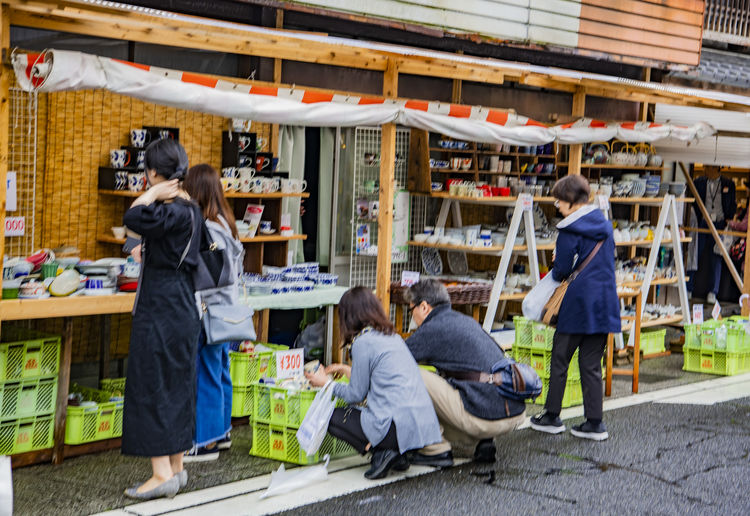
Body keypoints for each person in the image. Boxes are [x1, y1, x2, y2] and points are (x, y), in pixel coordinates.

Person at [121, 139, 201, 499]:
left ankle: (160, 474)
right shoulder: (192, 209)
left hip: (161, 307)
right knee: (178, 385)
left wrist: (151, 194)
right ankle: (177, 467)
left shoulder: (169, 211)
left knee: (152, 383)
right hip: (184, 307)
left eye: (148, 173)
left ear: (154, 173)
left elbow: (132, 218)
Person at [305, 287, 442, 479]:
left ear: (348, 316)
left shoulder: (363, 342)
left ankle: (382, 451)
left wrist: (326, 383)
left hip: (393, 427)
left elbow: (356, 394)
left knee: (330, 417)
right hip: (418, 426)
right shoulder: (392, 336)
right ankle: (397, 453)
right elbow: (382, 379)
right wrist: (346, 370)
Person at [529, 174, 620, 441]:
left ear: (569, 201)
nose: (556, 204)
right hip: (604, 303)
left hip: (578, 302)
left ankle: (552, 416)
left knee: (560, 358)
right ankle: (594, 423)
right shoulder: (604, 224)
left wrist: (558, 259)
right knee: (591, 364)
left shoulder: (570, 229)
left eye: (559, 200)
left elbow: (562, 270)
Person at [402, 280, 526, 467]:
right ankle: (482, 441)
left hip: (485, 418)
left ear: (424, 307)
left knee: (411, 374)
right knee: (462, 381)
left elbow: (395, 360)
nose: (413, 317)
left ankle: (436, 450)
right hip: (514, 412)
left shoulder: (433, 328)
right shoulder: (466, 321)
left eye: (411, 311)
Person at [182, 164, 244, 461]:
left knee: (206, 372)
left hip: (208, 309)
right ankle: (222, 432)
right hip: (227, 310)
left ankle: (205, 441)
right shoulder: (226, 222)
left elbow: (210, 277)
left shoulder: (207, 228)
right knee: (220, 370)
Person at [692, 165, 736, 304]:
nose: (705, 169)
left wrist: (728, 219)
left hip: (719, 223)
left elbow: (732, 204)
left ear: (716, 168)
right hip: (703, 222)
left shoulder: (729, 184)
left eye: (708, 167)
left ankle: (713, 291)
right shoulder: (698, 182)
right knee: (694, 254)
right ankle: (688, 288)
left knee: (716, 257)